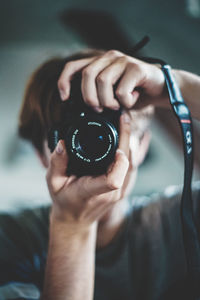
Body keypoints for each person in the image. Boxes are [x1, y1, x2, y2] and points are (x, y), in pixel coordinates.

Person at [0, 49, 200, 300]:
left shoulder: (186, 219)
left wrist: (173, 85)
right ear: (42, 156)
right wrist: (71, 227)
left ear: (143, 146)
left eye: (108, 134)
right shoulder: (10, 237)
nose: (95, 149)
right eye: (74, 136)